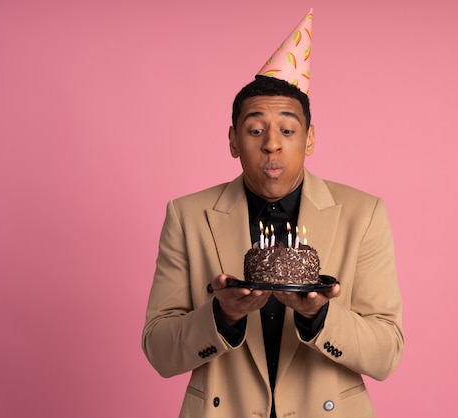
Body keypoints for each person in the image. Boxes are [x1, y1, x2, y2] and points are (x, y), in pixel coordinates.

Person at [142, 10, 403, 418]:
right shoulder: (188, 216)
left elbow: (387, 354)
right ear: (233, 140)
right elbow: (159, 350)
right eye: (254, 129)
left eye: (287, 129)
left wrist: (320, 315)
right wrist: (222, 314)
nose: (271, 145)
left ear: (310, 138)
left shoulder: (362, 214)